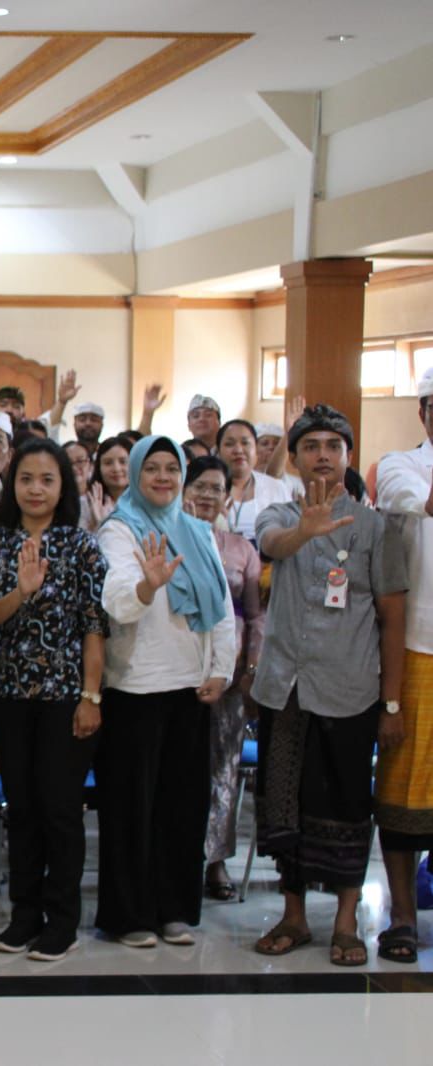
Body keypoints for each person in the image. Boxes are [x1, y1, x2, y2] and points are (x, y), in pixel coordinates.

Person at [251, 405, 406, 968]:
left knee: (345, 801)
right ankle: (293, 916)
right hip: (285, 688)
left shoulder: (375, 527)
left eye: (332, 446)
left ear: (346, 456)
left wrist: (391, 702)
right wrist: (304, 530)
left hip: (350, 686)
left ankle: (346, 921)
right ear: (292, 458)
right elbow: (272, 546)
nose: (321, 454)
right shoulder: (276, 512)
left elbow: (392, 617)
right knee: (282, 803)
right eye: (310, 445)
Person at [0, 439, 106, 962]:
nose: (36, 489)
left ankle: (62, 922)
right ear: (12, 484)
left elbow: (95, 628)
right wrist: (20, 592)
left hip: (66, 698)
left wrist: (91, 696)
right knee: (21, 808)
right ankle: (24, 916)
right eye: (26, 478)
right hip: (8, 696)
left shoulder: (81, 546)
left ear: (62, 487)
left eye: (47, 479)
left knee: (61, 810)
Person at [95, 436, 235, 949]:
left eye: (170, 469)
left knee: (182, 805)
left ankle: (174, 908)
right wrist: (146, 587)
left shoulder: (198, 532)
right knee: (132, 806)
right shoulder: (118, 530)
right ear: (134, 475)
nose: (161, 477)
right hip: (135, 685)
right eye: (150, 468)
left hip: (189, 688)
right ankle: (130, 915)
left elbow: (220, 607)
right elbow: (115, 601)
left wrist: (221, 668)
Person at [180, 455, 265, 902]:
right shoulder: (168, 539)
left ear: (227, 497)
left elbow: (254, 614)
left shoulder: (241, 549)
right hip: (177, 672)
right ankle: (177, 857)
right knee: (180, 769)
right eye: (200, 487)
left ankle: (216, 861)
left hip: (228, 677)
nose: (208, 496)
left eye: (216, 488)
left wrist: (249, 670)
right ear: (183, 490)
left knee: (223, 770)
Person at [370, 370, 433, 964]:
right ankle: (402, 918)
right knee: (402, 791)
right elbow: (418, 505)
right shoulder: (401, 466)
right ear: (423, 412)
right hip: (417, 651)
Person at [215, 419, 293, 545]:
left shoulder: (277, 487)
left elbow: (290, 533)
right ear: (218, 452)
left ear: (256, 450)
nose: (238, 450)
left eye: (245, 443)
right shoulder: (207, 489)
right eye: (229, 444)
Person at [83, 436, 130, 533]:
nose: (116, 469)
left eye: (123, 462)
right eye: (108, 463)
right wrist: (96, 524)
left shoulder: (146, 502)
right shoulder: (86, 503)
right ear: (98, 467)